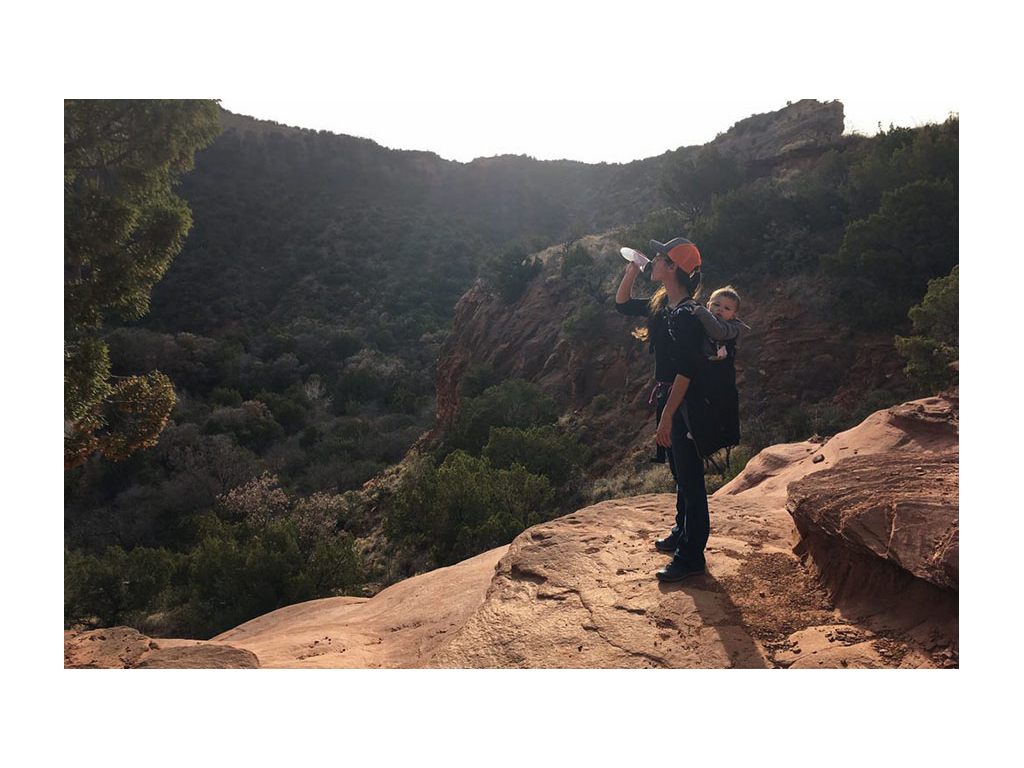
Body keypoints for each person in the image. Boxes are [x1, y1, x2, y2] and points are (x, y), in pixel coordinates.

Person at [615, 237, 713, 582]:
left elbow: (687, 370)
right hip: (669, 397)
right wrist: (631, 271)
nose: (653, 261)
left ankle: (691, 556)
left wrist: (669, 415)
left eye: (659, 258)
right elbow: (623, 304)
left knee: (690, 476)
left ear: (673, 268)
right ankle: (681, 532)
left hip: (683, 402)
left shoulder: (686, 315)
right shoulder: (663, 305)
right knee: (679, 471)